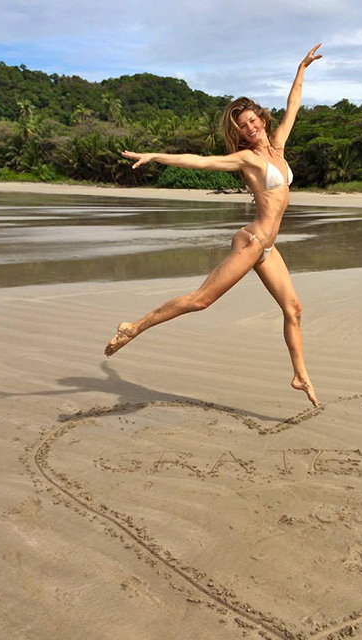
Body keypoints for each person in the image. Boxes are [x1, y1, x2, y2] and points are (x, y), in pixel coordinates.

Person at [104, 44, 323, 406]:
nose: (250, 127)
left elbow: (295, 104)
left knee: (294, 308)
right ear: (240, 131)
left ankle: (300, 376)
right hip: (252, 242)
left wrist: (301, 68)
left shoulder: (279, 148)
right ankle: (134, 327)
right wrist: (156, 155)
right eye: (243, 125)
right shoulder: (246, 159)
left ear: (263, 120)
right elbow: (201, 162)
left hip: (268, 248)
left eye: (253, 121)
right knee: (200, 300)